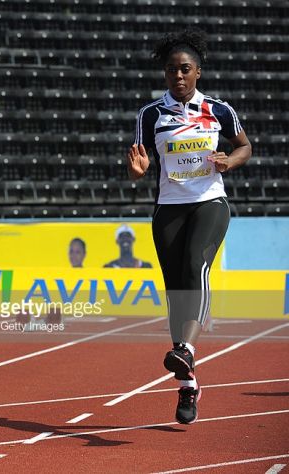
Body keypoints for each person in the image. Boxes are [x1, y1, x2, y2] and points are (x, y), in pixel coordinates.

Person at [127, 28, 251, 424]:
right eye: (170, 71)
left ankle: (186, 351)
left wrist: (231, 161)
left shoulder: (218, 110)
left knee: (197, 265)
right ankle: (188, 383)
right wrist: (138, 170)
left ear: (198, 72)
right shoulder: (150, 115)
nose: (177, 77)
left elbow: (245, 145)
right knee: (176, 290)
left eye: (184, 70)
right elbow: (142, 164)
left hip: (210, 203)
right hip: (169, 207)